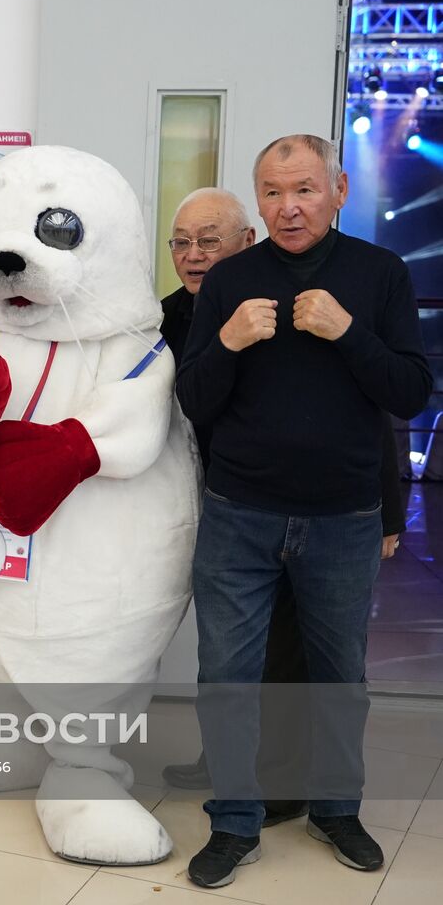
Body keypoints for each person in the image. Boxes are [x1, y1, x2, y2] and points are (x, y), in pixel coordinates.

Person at [175, 135, 430, 888]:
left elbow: (411, 391)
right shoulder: (229, 281)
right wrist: (224, 340)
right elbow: (193, 400)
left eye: (304, 190)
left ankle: (336, 810)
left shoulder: (380, 275)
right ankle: (234, 822)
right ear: (257, 199)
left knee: (338, 677)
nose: (288, 207)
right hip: (239, 513)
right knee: (225, 675)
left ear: (339, 189)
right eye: (272, 192)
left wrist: (348, 333)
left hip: (342, 517)